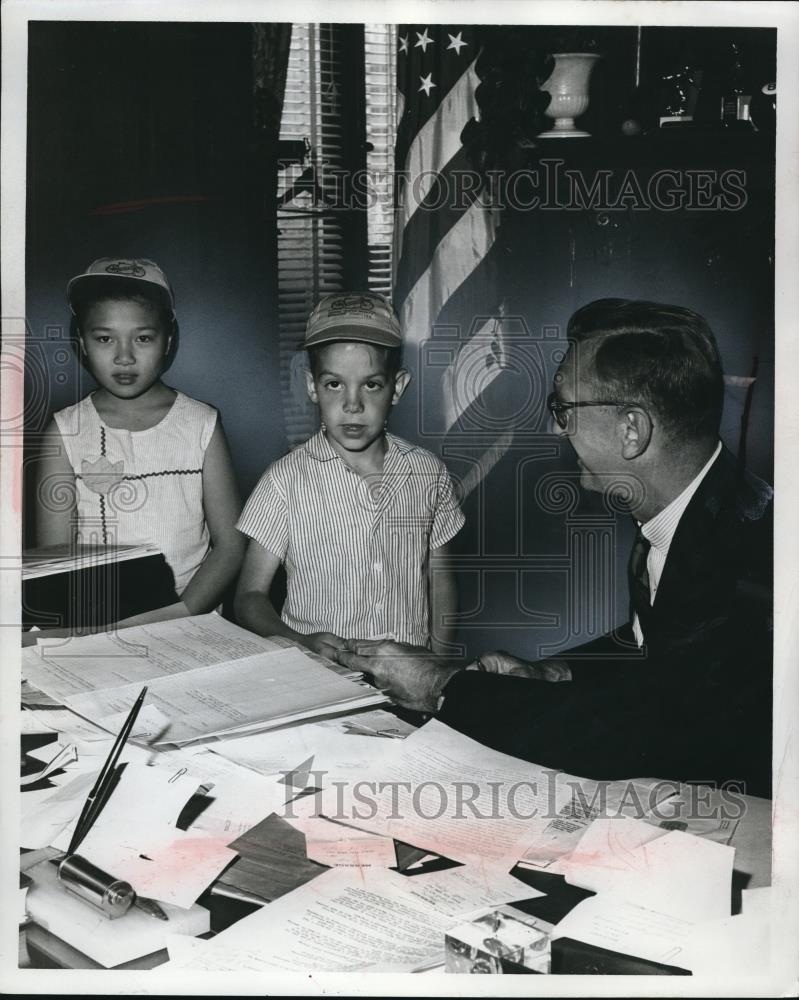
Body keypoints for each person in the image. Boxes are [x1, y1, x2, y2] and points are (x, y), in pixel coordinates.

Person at [338, 299, 773, 797]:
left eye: (563, 409)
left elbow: (642, 736)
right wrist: (550, 672)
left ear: (632, 430)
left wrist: (443, 686)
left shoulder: (749, 569)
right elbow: (651, 649)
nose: (555, 428)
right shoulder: (699, 506)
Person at [235, 291, 464, 659]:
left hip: (411, 676)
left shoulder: (428, 473)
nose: (352, 404)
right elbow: (249, 596)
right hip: (319, 680)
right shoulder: (283, 481)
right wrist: (301, 642)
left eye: (371, 384)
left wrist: (441, 663)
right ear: (313, 387)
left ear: (398, 388)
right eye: (334, 384)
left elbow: (441, 579)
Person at [35, 257, 245, 625]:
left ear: (168, 340)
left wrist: (179, 615)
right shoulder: (65, 431)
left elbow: (229, 546)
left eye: (143, 337)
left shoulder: (202, 424)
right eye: (104, 338)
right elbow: (55, 557)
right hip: (98, 626)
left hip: (190, 621)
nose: (124, 356)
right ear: (82, 342)